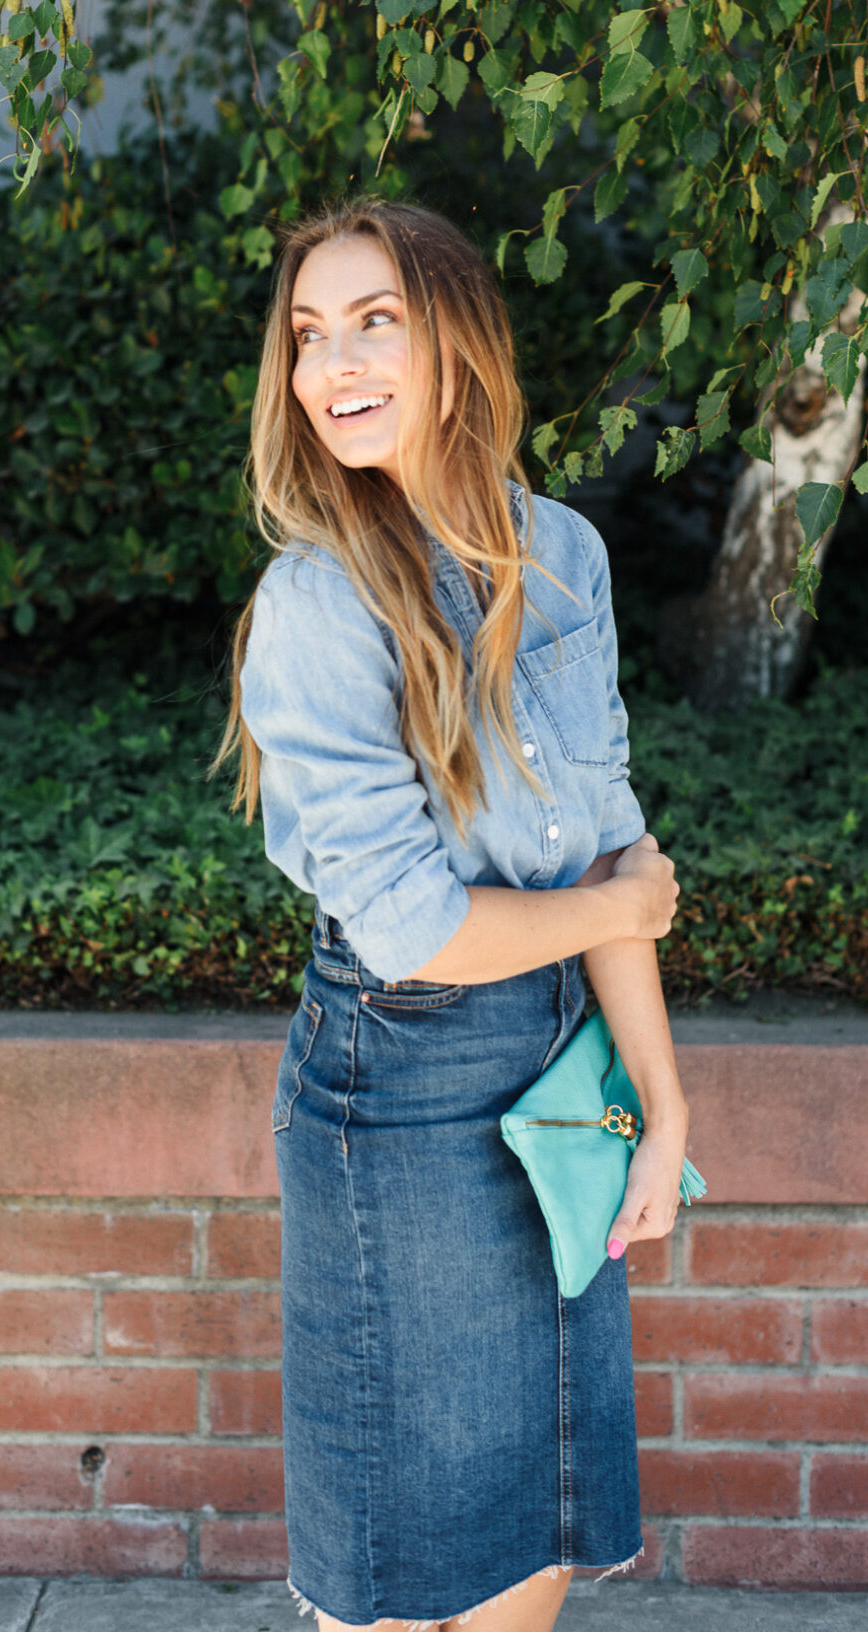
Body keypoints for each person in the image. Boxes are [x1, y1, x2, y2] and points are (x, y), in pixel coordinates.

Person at [210, 197, 687, 1632]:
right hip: (397, 1094)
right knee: (406, 1564)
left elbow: (608, 841)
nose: (331, 363)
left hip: (564, 1092)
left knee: (529, 1525)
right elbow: (420, 931)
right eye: (307, 334)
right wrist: (624, 903)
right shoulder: (317, 604)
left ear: (455, 345)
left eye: (373, 322)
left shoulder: (564, 558)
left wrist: (661, 1110)